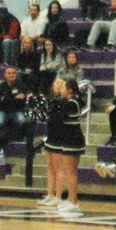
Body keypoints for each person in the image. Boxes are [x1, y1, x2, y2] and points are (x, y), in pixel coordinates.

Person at [45, 79, 85, 213]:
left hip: (72, 140)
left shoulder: (71, 103)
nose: (61, 89)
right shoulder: (72, 102)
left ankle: (73, 202)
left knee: (71, 173)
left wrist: (48, 110)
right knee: (70, 173)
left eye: (63, 87)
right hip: (71, 138)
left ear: (70, 90)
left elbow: (57, 119)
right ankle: (70, 200)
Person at [38, 78, 66, 207]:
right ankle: (50, 194)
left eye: (61, 83)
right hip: (50, 135)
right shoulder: (50, 100)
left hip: (60, 137)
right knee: (50, 167)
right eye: (56, 83)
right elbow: (42, 115)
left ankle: (59, 196)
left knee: (58, 168)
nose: (58, 85)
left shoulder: (65, 102)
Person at [0, 66, 30, 152]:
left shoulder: (21, 85)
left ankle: (18, 143)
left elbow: (24, 100)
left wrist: (5, 99)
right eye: (9, 73)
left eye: (13, 73)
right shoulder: (1, 86)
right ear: (5, 75)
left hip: (17, 110)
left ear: (16, 75)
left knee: (22, 121)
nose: (11, 75)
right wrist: (15, 99)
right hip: (3, 111)